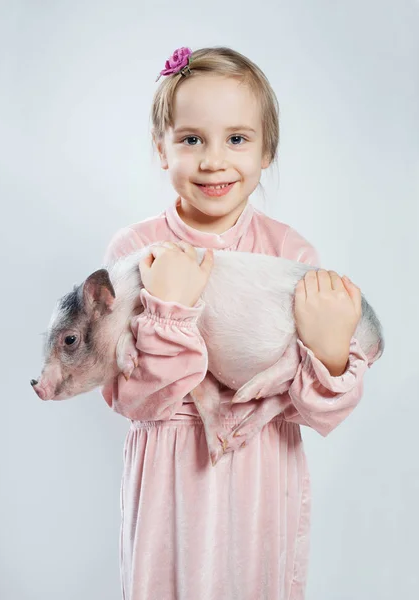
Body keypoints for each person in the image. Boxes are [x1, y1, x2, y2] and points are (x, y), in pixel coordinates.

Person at [101, 46, 376, 600]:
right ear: (162, 147)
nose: (212, 160)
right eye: (191, 139)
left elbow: (311, 407)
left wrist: (329, 355)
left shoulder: (288, 252)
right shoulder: (133, 252)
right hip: (170, 473)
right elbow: (133, 398)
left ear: (266, 149)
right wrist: (169, 312)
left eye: (237, 138)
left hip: (259, 469)